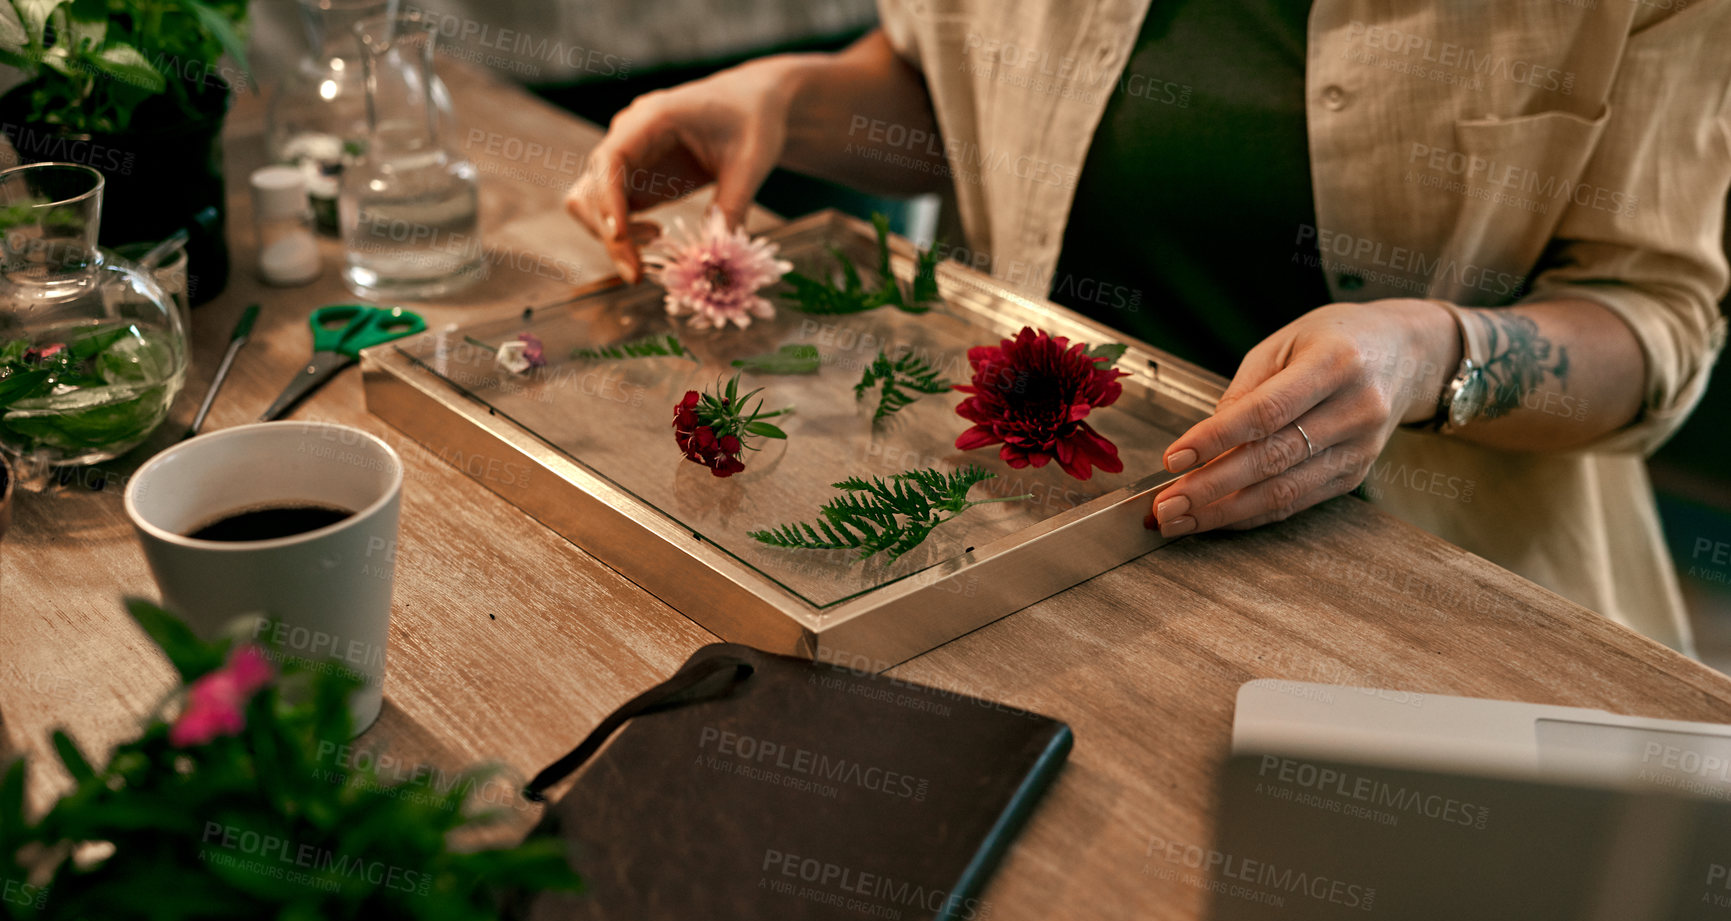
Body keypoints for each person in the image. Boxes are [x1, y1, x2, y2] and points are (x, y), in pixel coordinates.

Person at [566, 0, 1731, 652]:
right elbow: (964, 98)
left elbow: (1656, 326)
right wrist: (786, 99)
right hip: (1011, 531)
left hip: (1426, 584)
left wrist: (1427, 354)